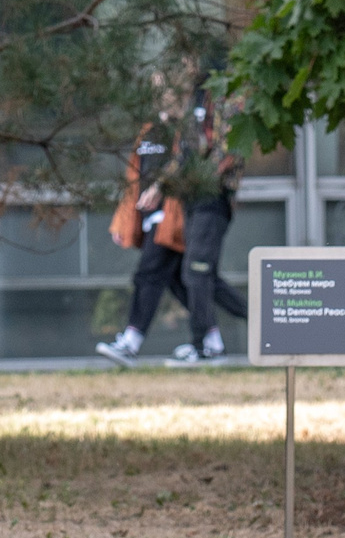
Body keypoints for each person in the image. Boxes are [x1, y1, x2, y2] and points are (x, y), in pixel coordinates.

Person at [94, 82, 246, 366]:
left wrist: (175, 188)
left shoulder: (206, 115)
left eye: (169, 92)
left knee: (175, 274)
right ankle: (214, 340)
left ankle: (155, 342)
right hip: (180, 209)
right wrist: (131, 213)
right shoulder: (157, 129)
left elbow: (220, 156)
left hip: (192, 208)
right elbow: (140, 174)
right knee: (189, 279)